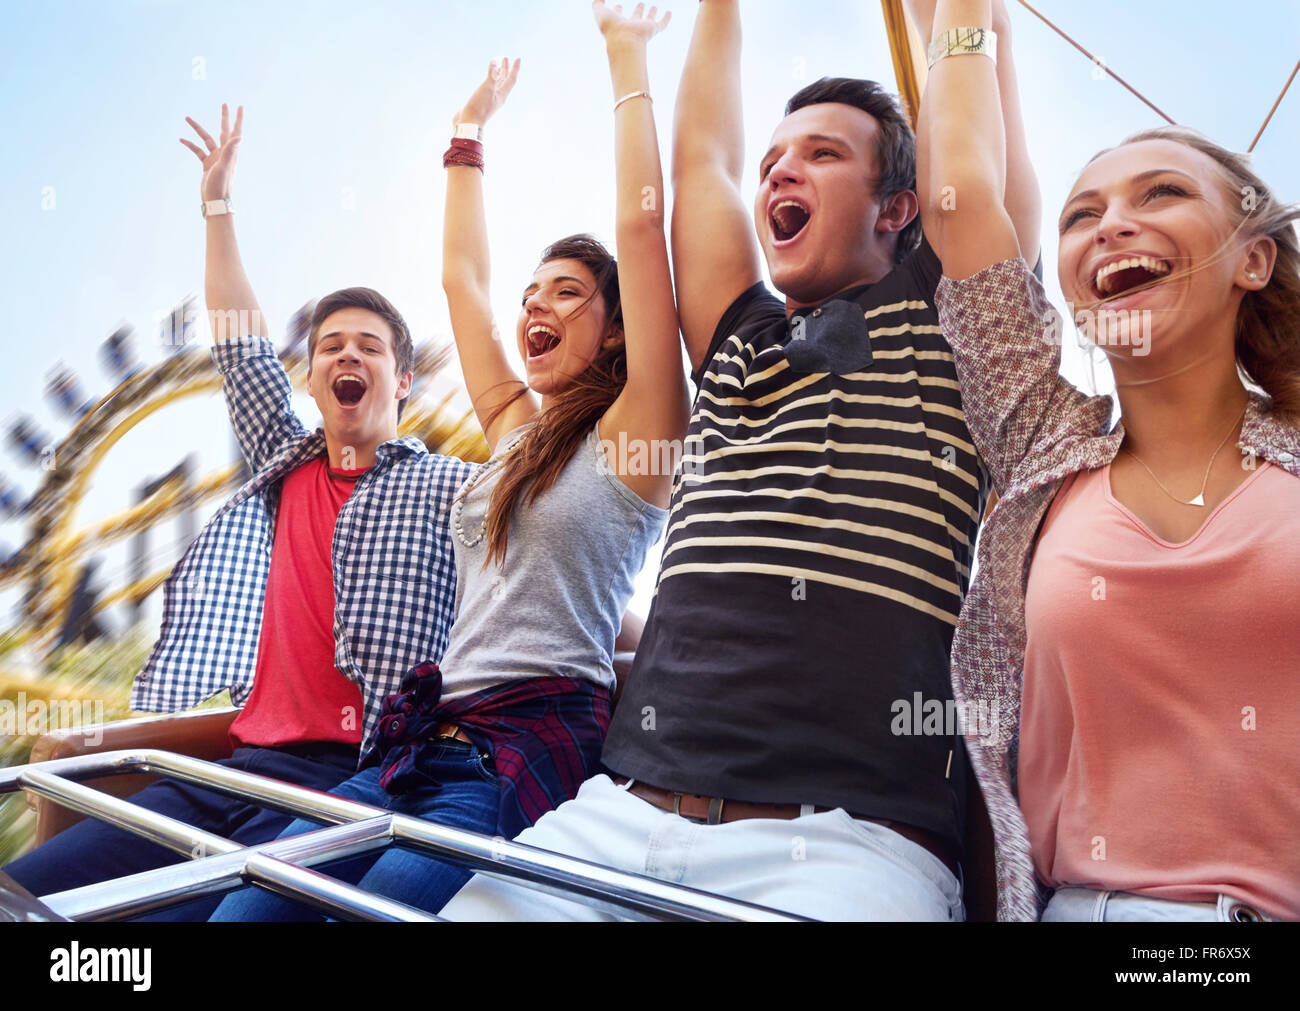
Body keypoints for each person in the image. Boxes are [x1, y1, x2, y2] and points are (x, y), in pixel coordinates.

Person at [440, 0, 1038, 922]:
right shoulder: (735, 340)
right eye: (773, 163)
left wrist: (963, 18)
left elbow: (969, 146)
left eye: (823, 154)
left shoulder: (955, 321)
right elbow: (702, 167)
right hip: (616, 817)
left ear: (899, 209)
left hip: (849, 846)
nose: (780, 171)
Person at [210, 1, 685, 921]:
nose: (535, 304)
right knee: (246, 909)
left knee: (372, 916)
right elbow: (462, 281)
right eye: (533, 292)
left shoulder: (639, 437)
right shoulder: (516, 430)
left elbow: (643, 237)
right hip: (426, 737)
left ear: (620, 328)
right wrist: (466, 137)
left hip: (520, 746)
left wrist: (626, 60)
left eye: (569, 294)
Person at [2, 106, 474, 920]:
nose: (346, 355)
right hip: (231, 768)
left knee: (171, 923)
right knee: (29, 893)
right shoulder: (285, 464)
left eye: (370, 345)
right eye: (331, 345)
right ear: (316, 375)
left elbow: (550, 561)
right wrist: (217, 206)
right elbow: (239, 342)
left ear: (403, 382)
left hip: (348, 780)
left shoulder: (452, 488)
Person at [917, 0, 1300, 921]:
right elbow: (962, 197)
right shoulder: (1044, 441)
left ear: (1252, 259)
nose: (1111, 224)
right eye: (1082, 214)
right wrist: (967, 17)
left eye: (1159, 194)